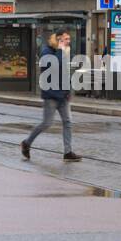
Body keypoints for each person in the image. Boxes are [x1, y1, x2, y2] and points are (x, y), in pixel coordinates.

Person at [21, 30, 80, 161]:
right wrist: (60, 50)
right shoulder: (46, 52)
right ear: (58, 40)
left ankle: (68, 152)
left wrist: (68, 90)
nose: (68, 42)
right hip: (51, 95)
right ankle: (27, 143)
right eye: (66, 39)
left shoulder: (61, 53)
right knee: (47, 123)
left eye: (69, 39)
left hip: (63, 96)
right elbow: (54, 65)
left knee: (68, 122)